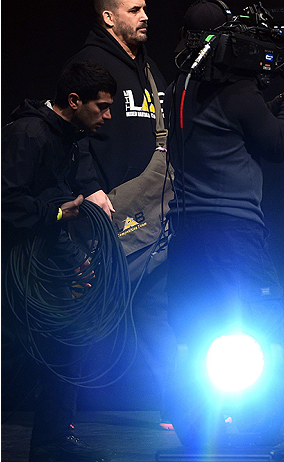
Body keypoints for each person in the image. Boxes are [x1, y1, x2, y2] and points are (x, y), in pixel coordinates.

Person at [164, 0, 284, 445]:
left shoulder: (179, 87)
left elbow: (228, 125)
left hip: (188, 230)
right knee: (265, 328)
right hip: (234, 231)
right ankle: (263, 434)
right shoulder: (238, 93)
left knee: (194, 332)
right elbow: (278, 143)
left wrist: (267, 96)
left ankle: (195, 436)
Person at [68, 0, 177, 429]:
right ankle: (60, 416)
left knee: (158, 313)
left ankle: (180, 408)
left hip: (155, 218)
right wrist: (89, 187)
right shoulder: (87, 64)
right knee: (86, 316)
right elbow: (69, 131)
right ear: (108, 17)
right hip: (106, 214)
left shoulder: (152, 71)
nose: (145, 16)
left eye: (146, 8)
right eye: (134, 9)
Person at [1, 60, 116, 462]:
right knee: (19, 357)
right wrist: (55, 215)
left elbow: (60, 203)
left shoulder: (69, 138)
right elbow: (8, 202)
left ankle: (53, 442)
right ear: (73, 100)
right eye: (101, 106)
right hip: (15, 273)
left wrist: (75, 258)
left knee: (66, 347)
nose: (107, 114)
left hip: (45, 267)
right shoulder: (29, 133)